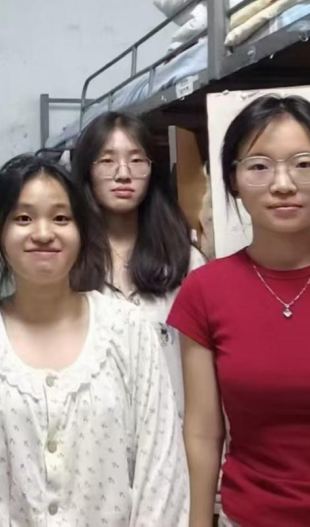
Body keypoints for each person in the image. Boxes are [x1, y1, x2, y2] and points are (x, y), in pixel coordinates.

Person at [168, 94, 310, 526]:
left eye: (304, 164)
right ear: (233, 180)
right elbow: (203, 433)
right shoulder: (205, 291)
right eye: (259, 166)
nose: (283, 183)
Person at [0, 153, 189, 526]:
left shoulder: (128, 328)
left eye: (61, 218)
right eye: (23, 218)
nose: (43, 233)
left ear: (82, 231)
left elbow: (161, 471)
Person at [71, 111, 205, 416]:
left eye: (136, 160)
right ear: (87, 171)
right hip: (93, 430)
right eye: (107, 161)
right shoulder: (70, 259)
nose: (123, 174)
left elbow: (203, 373)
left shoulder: (185, 260)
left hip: (172, 428)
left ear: (152, 170)